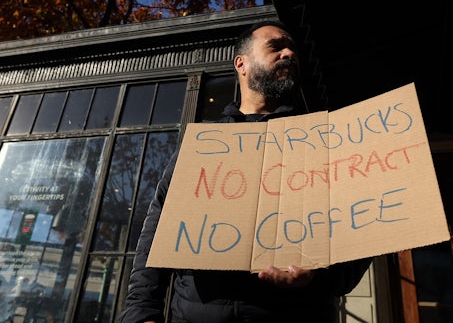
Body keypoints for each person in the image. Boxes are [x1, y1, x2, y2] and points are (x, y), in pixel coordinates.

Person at [120, 20, 373, 323]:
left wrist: (320, 277)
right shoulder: (204, 145)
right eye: (276, 47)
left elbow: (361, 233)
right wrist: (141, 313)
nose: (289, 53)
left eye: (293, 48)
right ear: (241, 63)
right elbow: (157, 230)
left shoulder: (322, 141)